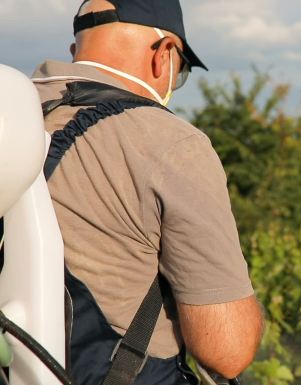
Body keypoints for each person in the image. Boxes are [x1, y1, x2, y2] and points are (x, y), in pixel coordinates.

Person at [30, 0, 263, 383]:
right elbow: (226, 350)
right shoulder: (171, 143)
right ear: (164, 55)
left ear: (75, 54)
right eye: (181, 72)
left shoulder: (14, 116)